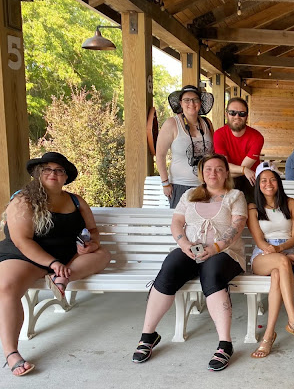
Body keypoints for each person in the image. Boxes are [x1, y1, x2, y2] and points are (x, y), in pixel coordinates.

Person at [131, 154, 247, 371]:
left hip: (226, 254)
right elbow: (177, 222)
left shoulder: (235, 196)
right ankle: (148, 335)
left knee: (212, 271)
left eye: (219, 169)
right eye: (209, 169)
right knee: (172, 263)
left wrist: (215, 248)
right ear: (202, 173)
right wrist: (184, 244)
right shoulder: (190, 195)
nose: (213, 173)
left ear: (226, 174)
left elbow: (237, 227)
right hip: (191, 251)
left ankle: (225, 344)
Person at [0, 152, 111, 377]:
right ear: (38, 174)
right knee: (7, 288)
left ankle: (60, 278)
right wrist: (52, 262)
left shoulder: (76, 201)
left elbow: (93, 232)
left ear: (65, 177)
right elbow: (22, 240)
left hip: (66, 258)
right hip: (24, 256)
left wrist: (91, 245)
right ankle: (12, 353)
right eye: (47, 170)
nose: (53, 174)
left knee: (103, 255)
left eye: (59, 171)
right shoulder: (23, 199)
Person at [247, 162, 294, 358]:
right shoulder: (253, 208)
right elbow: (259, 240)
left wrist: (281, 250)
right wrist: (278, 254)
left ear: (278, 182)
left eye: (272, 179)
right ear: (258, 184)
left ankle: (268, 336)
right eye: (263, 180)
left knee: (279, 272)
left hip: (287, 254)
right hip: (263, 256)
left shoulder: (291, 203)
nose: (268, 183)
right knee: (280, 263)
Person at [157, 85, 215, 209]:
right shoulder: (172, 124)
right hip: (180, 186)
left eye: (195, 100)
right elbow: (160, 155)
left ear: (200, 103)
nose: (191, 103)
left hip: (205, 186)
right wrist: (165, 183)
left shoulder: (207, 123)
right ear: (181, 103)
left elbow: (213, 153)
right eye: (187, 100)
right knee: (180, 224)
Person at [213, 97, 265, 203]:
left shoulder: (257, 137)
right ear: (226, 114)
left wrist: (228, 171)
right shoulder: (219, 134)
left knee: (252, 212)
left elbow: (229, 169)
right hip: (229, 181)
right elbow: (223, 166)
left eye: (241, 113)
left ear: (247, 117)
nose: (237, 116)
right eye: (232, 113)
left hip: (250, 181)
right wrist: (243, 170)